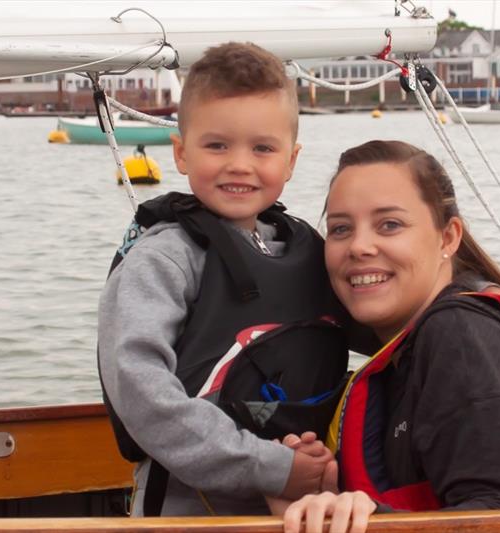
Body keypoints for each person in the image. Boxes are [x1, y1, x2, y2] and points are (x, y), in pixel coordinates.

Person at [278, 140, 500, 533]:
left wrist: (368, 521)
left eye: (390, 225)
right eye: (340, 229)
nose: (359, 246)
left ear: (448, 237)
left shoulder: (465, 338)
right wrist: (318, 499)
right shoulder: (411, 350)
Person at [97, 42, 345, 517]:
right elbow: (142, 392)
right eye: (217, 145)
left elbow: (384, 319)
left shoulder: (306, 250)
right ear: (182, 153)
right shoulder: (163, 260)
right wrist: (275, 467)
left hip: (302, 499)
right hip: (186, 514)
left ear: (291, 161)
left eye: (262, 148)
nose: (239, 164)